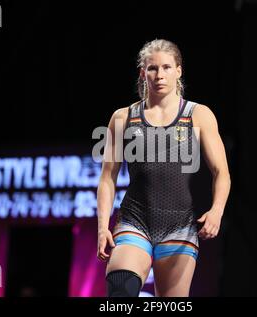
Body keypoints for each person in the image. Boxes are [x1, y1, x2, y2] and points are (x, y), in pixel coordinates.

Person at [96, 39, 231, 297]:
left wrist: (217, 211)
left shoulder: (198, 115)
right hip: (134, 221)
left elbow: (221, 173)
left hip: (179, 226)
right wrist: (103, 227)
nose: (160, 75)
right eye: (152, 68)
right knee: (120, 293)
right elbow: (107, 178)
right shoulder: (123, 117)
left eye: (167, 67)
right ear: (142, 72)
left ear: (179, 70)